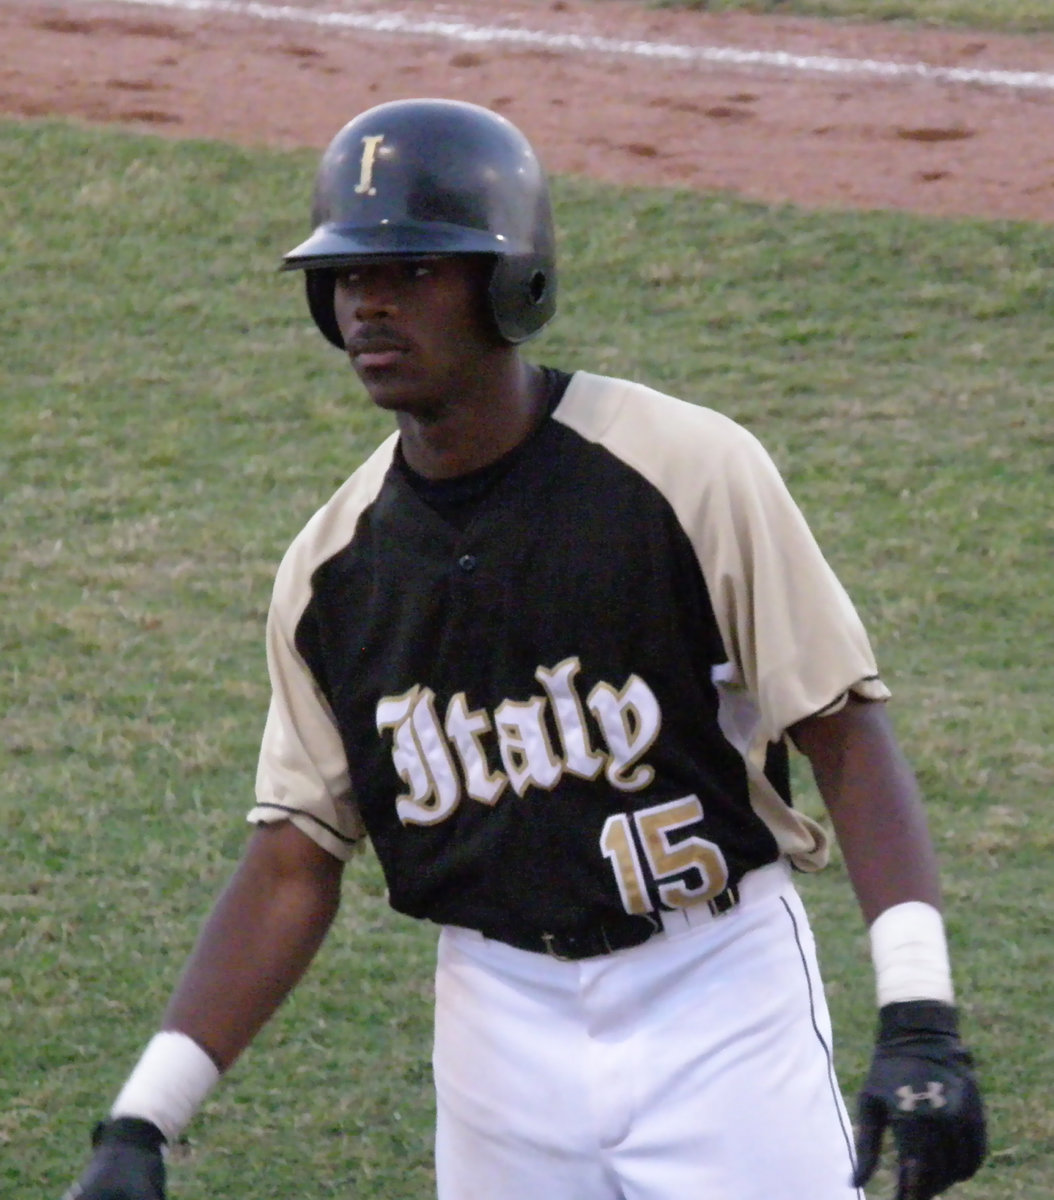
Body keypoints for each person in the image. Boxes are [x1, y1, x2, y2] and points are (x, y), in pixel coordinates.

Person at [66, 98, 986, 1200]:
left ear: (511, 281)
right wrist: (140, 1120)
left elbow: (840, 728)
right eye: (349, 277)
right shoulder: (330, 572)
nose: (369, 303)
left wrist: (918, 1013)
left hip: (715, 994)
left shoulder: (683, 469)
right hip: (496, 1024)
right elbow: (292, 860)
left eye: (411, 270)